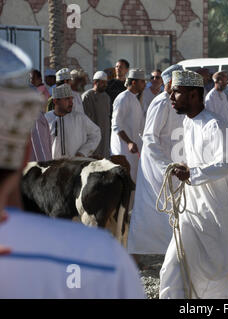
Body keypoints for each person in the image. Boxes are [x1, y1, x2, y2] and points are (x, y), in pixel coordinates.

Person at [0, 40, 145, 298]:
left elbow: (96, 133)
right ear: (24, 155)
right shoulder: (46, 120)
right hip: (53, 173)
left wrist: (82, 155)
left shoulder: (78, 116)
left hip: (69, 172)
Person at [159, 70, 228, 299]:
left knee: (221, 270)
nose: (171, 97)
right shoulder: (188, 123)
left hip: (217, 209)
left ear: (193, 95)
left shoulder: (215, 124)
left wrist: (192, 172)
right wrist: (184, 166)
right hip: (191, 208)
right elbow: (197, 161)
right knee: (171, 264)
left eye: (176, 93)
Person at [127, 64, 185, 258]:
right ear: (169, 83)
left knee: (176, 210)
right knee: (152, 210)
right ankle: (136, 254)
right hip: (158, 165)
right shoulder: (161, 102)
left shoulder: (178, 102)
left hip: (177, 162)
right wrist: (165, 165)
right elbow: (150, 137)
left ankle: (175, 251)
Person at [45, 84, 101, 159]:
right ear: (55, 101)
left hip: (76, 166)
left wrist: (83, 152)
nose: (71, 103)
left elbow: (96, 134)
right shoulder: (46, 119)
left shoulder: (80, 118)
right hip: (54, 166)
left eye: (71, 99)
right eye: (67, 99)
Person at [110, 68, 146, 182]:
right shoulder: (123, 98)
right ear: (134, 82)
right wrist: (129, 142)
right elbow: (116, 125)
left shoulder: (134, 99)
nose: (145, 84)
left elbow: (140, 127)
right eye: (142, 81)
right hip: (122, 149)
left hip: (133, 151)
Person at [82, 71, 112, 159]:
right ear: (95, 82)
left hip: (105, 135)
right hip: (92, 135)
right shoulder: (87, 96)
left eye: (106, 82)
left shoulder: (106, 97)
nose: (105, 85)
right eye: (103, 82)